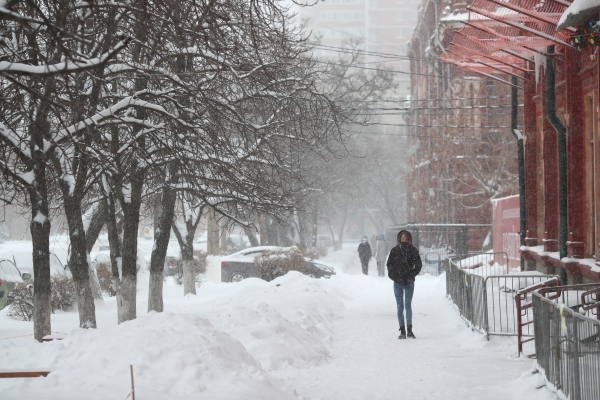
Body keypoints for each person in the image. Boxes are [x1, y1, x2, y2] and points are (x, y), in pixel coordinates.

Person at [386, 230, 422, 339]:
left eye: (406, 237)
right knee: (399, 306)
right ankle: (402, 330)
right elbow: (389, 265)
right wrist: (394, 276)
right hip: (397, 282)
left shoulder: (413, 250)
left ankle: (410, 329)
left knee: (408, 305)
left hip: (409, 282)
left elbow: (419, 264)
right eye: (402, 237)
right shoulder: (395, 250)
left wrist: (412, 274)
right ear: (399, 238)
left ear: (409, 238)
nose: (404, 239)